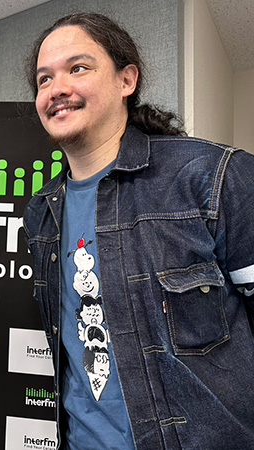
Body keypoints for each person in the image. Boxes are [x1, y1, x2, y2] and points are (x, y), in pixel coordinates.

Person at [23, 12, 254, 450]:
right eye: (44, 79)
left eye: (78, 68)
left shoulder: (213, 176)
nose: (57, 89)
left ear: (126, 80)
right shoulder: (41, 213)